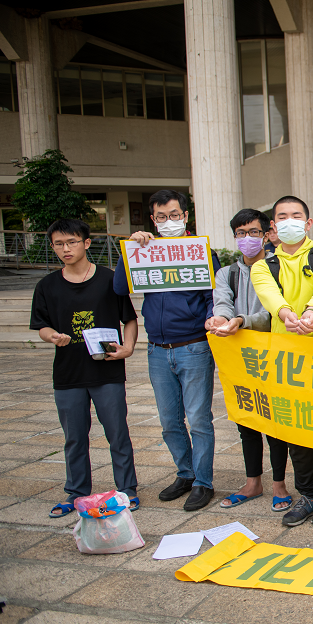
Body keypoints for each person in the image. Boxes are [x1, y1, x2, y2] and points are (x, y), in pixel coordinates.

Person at [113, 189, 220, 511]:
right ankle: (185, 473)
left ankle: (203, 481)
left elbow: (211, 297)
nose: (168, 222)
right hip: (157, 350)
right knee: (170, 421)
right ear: (152, 220)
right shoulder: (144, 251)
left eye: (174, 216)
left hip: (194, 347)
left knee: (199, 419)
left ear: (185, 216)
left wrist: (212, 325)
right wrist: (129, 250)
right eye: (161, 217)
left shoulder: (199, 251)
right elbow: (120, 287)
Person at [31, 219, 140, 518]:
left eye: (72, 242)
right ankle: (76, 492)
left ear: (86, 243)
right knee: (74, 437)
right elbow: (41, 325)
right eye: (59, 244)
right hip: (68, 374)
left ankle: (127, 489)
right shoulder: (47, 286)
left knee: (117, 433)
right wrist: (52, 336)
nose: (66, 249)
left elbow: (129, 318)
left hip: (107, 371)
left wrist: (127, 348)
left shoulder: (109, 280)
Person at [251, 195, 313, 527]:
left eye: (296, 216)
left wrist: (311, 312)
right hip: (285, 358)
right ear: (274, 226)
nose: (289, 221)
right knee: (295, 428)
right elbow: (270, 297)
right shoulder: (263, 265)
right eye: (282, 217)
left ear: (307, 223)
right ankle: (307, 494)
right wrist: (288, 314)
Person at [207, 208, 294, 513]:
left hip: (273, 354)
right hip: (239, 356)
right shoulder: (227, 273)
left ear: (267, 234)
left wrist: (242, 320)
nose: (248, 239)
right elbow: (222, 303)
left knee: (275, 422)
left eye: (254, 232)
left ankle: (279, 485)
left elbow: (274, 312)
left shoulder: (278, 268)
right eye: (241, 234)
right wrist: (220, 319)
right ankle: (252, 481)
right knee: (246, 420)